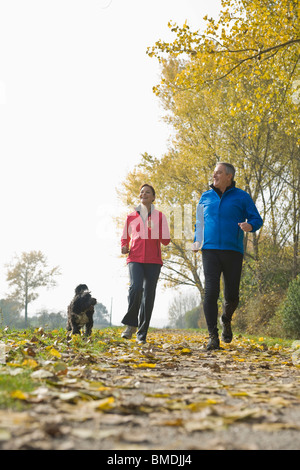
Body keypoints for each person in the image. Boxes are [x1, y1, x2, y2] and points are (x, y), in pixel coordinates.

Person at [192, 163, 263, 350]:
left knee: (232, 296)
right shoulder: (205, 197)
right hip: (210, 250)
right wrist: (196, 240)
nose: (214, 174)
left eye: (219, 172)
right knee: (210, 292)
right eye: (214, 171)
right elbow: (199, 223)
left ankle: (226, 319)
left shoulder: (242, 196)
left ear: (229, 176)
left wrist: (250, 226)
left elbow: (257, 219)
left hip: (233, 250)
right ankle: (212, 337)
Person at [121, 184, 170, 343]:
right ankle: (130, 325)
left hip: (153, 261)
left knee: (148, 296)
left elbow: (166, 241)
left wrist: (155, 228)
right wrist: (124, 246)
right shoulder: (131, 216)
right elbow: (124, 237)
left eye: (148, 192)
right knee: (135, 288)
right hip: (134, 258)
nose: (144, 194)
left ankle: (142, 334)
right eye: (142, 192)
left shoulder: (160, 217)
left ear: (153, 197)